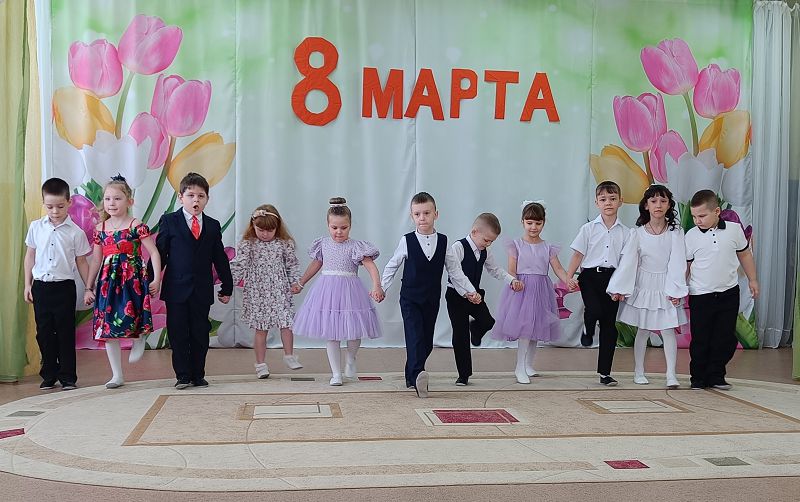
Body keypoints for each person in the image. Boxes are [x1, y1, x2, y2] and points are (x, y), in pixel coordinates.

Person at [381, 191, 473, 398]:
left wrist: (470, 291)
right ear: (412, 216)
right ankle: (417, 377)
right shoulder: (406, 241)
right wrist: (382, 288)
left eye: (426, 213)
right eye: (417, 214)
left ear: (436, 214)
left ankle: (410, 374)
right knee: (415, 336)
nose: (422, 218)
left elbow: (455, 271)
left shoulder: (444, 242)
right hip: (410, 298)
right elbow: (392, 266)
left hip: (431, 299)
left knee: (426, 342)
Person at [152, 172, 233, 389]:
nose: (195, 200)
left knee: (200, 332)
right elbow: (160, 253)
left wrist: (227, 286)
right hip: (176, 289)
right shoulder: (169, 221)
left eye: (200, 196)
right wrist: (152, 279)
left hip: (201, 289)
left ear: (207, 199)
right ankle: (182, 375)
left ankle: (198, 374)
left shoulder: (213, 225)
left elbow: (219, 257)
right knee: (178, 332)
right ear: (181, 197)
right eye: (190, 195)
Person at [293, 197, 384, 386]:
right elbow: (315, 265)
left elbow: (370, 266)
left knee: (354, 331)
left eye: (344, 227)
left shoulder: (356, 246)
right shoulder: (323, 244)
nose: (339, 231)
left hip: (351, 292)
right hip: (327, 292)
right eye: (334, 227)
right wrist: (301, 283)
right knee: (332, 334)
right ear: (328, 225)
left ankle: (351, 358)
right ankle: (336, 373)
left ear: (350, 226)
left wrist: (377, 285)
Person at [84, 176, 162, 389]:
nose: (112, 203)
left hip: (131, 280)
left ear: (129, 201)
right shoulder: (100, 229)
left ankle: (139, 337)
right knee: (108, 326)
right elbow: (96, 260)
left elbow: (154, 253)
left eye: (117, 198)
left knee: (132, 314)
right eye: (108, 198)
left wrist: (156, 279)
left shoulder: (136, 226)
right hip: (108, 283)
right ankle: (117, 375)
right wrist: (89, 287)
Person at [607, 185, 687, 389]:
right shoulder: (637, 233)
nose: (658, 205)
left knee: (668, 330)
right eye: (653, 201)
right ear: (646, 205)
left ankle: (671, 374)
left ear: (669, 205)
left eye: (663, 201)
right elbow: (628, 263)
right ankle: (639, 371)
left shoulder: (676, 232)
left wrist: (676, 290)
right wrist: (620, 288)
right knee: (643, 329)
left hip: (666, 284)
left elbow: (678, 262)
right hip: (644, 285)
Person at [685, 189, 759, 390]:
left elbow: (745, 255)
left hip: (729, 293)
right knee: (701, 338)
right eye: (694, 216)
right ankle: (698, 377)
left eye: (702, 216)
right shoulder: (691, 236)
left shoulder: (734, 230)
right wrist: (680, 288)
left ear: (717, 211)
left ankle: (716, 375)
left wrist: (753, 280)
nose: (697, 221)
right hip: (701, 295)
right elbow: (687, 265)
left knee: (724, 337)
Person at [24, 178, 92, 390]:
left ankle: (68, 376)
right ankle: (49, 374)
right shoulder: (36, 227)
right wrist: (27, 284)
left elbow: (82, 261)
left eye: (60, 206)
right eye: (50, 206)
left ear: (69, 202)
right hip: (41, 287)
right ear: (43, 203)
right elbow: (30, 256)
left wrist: (89, 287)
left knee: (65, 332)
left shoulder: (76, 232)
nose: (55, 211)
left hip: (64, 288)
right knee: (44, 332)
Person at [492, 201, 570, 383]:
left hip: (541, 290)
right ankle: (519, 367)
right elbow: (512, 269)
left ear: (543, 223)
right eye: (529, 223)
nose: (533, 227)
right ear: (522, 222)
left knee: (537, 328)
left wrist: (569, 280)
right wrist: (514, 281)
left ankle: (528, 364)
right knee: (525, 330)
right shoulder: (516, 245)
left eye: (538, 223)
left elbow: (558, 269)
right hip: (522, 290)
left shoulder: (548, 247)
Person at [566, 181, 629, 386]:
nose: (608, 203)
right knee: (594, 309)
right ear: (596, 203)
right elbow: (578, 255)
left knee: (609, 326)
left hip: (613, 279)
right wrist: (569, 277)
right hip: (590, 278)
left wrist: (621, 287)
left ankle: (605, 373)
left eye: (612, 199)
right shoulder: (588, 229)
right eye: (603, 199)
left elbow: (626, 263)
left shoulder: (626, 232)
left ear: (620, 201)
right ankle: (588, 329)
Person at [446, 213, 522, 386]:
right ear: (474, 232)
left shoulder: (484, 252)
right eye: (486, 240)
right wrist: (467, 292)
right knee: (460, 336)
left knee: (488, 321)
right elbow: (454, 273)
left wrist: (511, 280)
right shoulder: (458, 247)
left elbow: (495, 270)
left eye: (491, 242)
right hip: (456, 296)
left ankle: (475, 328)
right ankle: (463, 375)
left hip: (475, 295)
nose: (488, 244)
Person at [230, 204, 303, 378]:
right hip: (258, 291)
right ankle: (261, 364)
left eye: (270, 230)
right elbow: (239, 265)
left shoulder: (283, 243)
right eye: (260, 230)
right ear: (253, 226)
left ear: (277, 228)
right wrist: (228, 286)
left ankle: (289, 355)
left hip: (279, 289)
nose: (265, 234)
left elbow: (292, 264)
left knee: (286, 323)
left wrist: (295, 282)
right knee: (261, 329)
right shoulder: (248, 244)